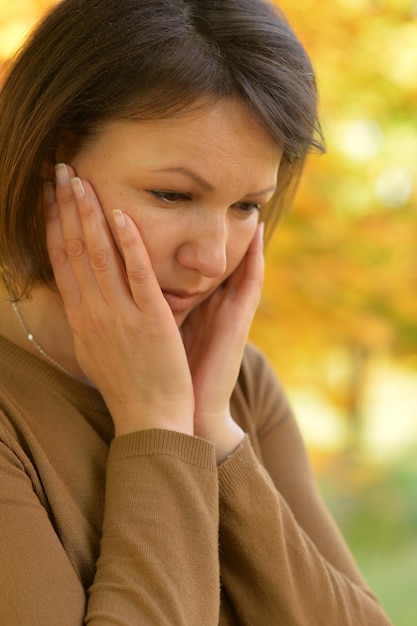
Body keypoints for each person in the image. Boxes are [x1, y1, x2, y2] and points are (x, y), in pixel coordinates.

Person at [0, 0, 393, 624]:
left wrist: (212, 429)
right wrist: (157, 423)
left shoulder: (239, 382)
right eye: (172, 194)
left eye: (246, 207)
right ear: (54, 161)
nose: (211, 259)